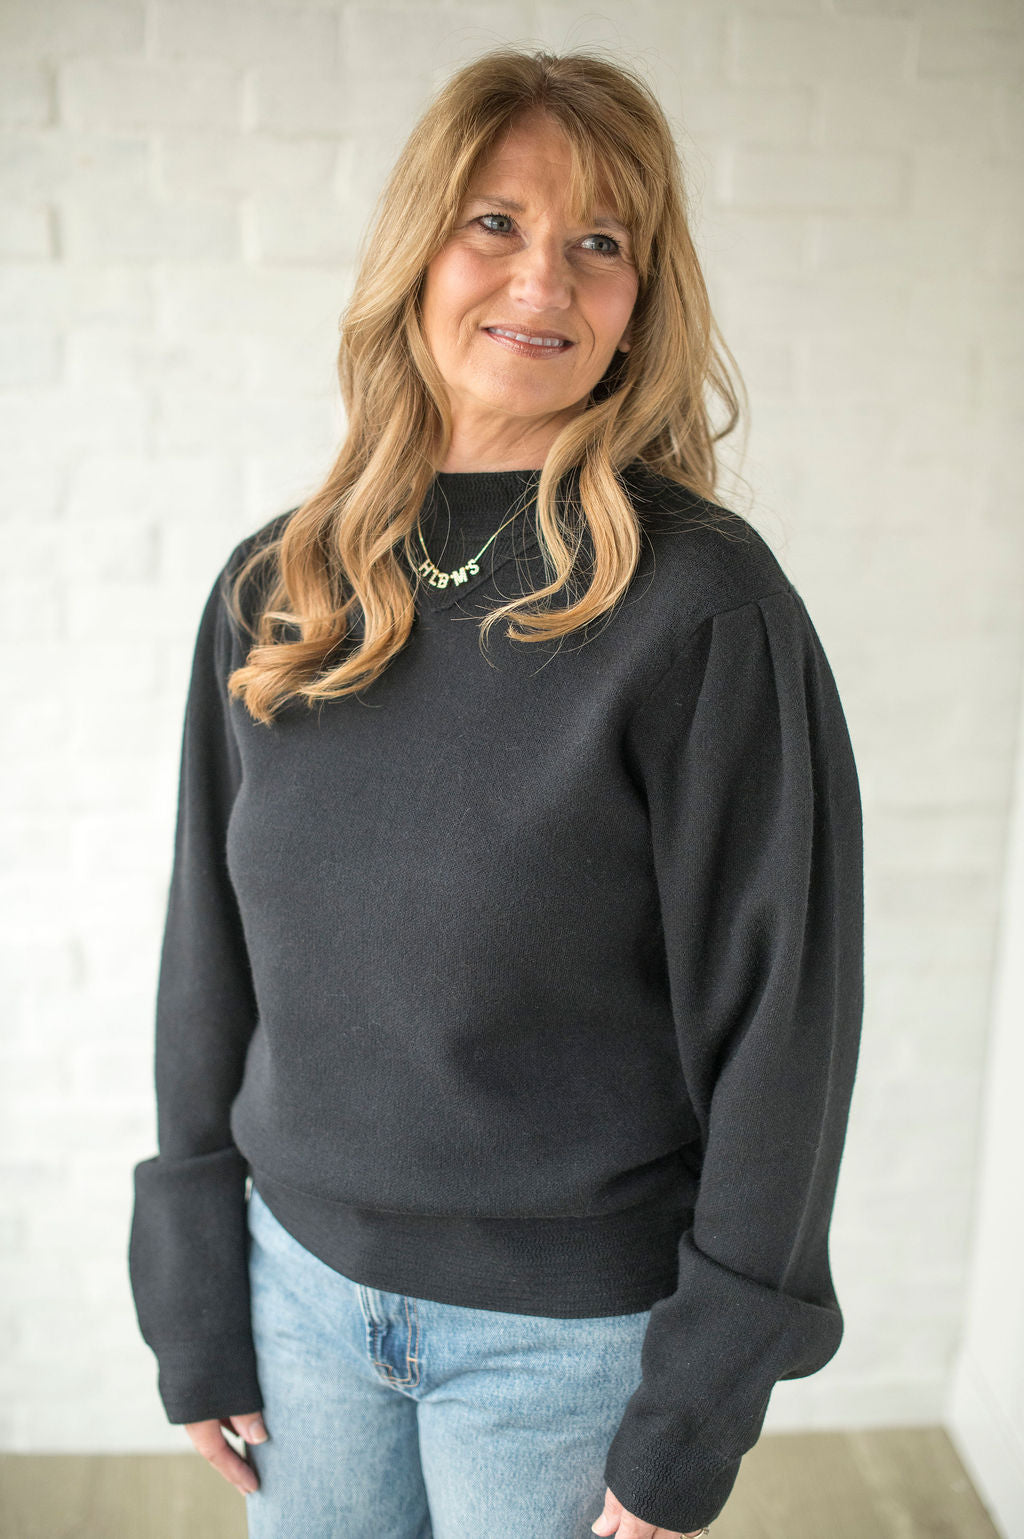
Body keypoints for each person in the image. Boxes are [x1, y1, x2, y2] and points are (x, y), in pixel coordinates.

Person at [127, 45, 864, 1539]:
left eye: (601, 244)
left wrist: (699, 1403)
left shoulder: (701, 609)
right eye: (497, 223)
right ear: (418, 250)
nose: (544, 283)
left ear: (640, 303)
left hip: (568, 1345)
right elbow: (209, 952)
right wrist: (196, 1278)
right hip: (296, 1301)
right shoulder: (279, 586)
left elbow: (786, 1021)